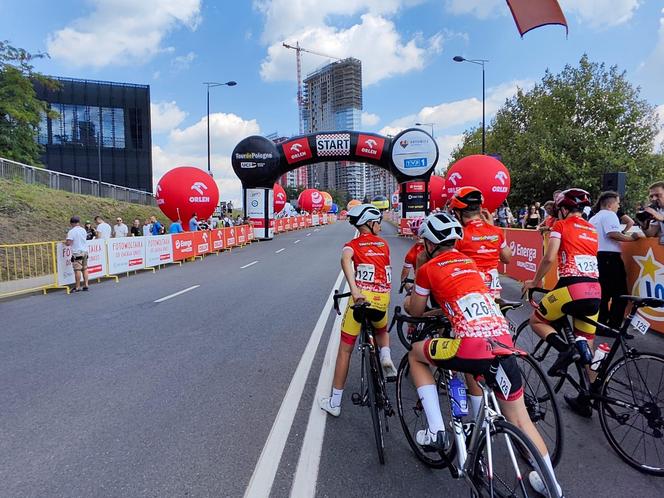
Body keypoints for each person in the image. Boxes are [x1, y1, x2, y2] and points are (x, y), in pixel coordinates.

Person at [406, 213, 562, 495]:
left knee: (415, 355)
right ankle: (552, 485)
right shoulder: (471, 264)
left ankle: (436, 431)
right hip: (502, 343)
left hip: (467, 344)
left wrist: (415, 290)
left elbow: (415, 311)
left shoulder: (427, 268)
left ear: (429, 244)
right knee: (519, 418)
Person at [523, 189, 600, 417]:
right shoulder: (592, 229)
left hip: (571, 288)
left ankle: (566, 350)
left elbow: (549, 257)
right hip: (594, 290)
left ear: (564, 209)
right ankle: (589, 396)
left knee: (536, 320)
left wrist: (534, 281)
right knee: (587, 342)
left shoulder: (560, 225)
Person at [319, 204, 397, 417]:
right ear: (369, 224)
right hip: (383, 301)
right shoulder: (384, 245)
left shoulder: (351, 245)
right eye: (377, 223)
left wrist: (354, 290)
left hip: (362, 300)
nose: (380, 226)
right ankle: (386, 355)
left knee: (345, 350)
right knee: (381, 331)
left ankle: (334, 403)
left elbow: (345, 260)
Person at [590, 191, 644, 330]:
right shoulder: (609, 215)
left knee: (603, 293)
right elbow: (612, 234)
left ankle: (601, 324)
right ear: (610, 204)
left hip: (598, 257)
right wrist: (631, 238)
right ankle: (613, 327)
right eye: (617, 203)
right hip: (610, 258)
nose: (618, 206)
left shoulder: (594, 218)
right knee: (620, 293)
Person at [451, 187, 511, 299]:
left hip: (469, 291)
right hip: (493, 293)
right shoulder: (496, 231)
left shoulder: (459, 235)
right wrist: (491, 229)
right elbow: (507, 258)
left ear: (458, 213)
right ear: (480, 209)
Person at [65, 216, 89, 292]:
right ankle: (86, 285)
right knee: (84, 269)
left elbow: (68, 243)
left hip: (77, 252)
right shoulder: (83, 230)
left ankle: (77, 287)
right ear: (78, 222)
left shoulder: (71, 231)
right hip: (85, 251)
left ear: (72, 223)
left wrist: (64, 243)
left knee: (77, 270)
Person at [399, 218, 424, 291]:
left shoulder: (437, 246)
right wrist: (408, 289)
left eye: (421, 232)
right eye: (415, 232)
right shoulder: (411, 253)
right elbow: (404, 277)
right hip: (421, 283)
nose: (418, 235)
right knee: (407, 302)